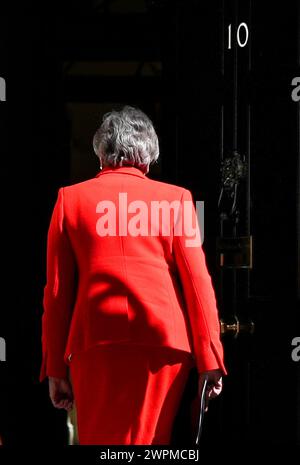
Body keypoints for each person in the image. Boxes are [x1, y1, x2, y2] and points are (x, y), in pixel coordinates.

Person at [40, 105, 227, 445]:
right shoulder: (175, 200)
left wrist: (54, 366)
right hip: (163, 343)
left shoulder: (70, 200)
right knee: (152, 442)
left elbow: (57, 292)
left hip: (95, 341)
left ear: (101, 154)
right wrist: (210, 357)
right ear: (148, 158)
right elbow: (198, 285)